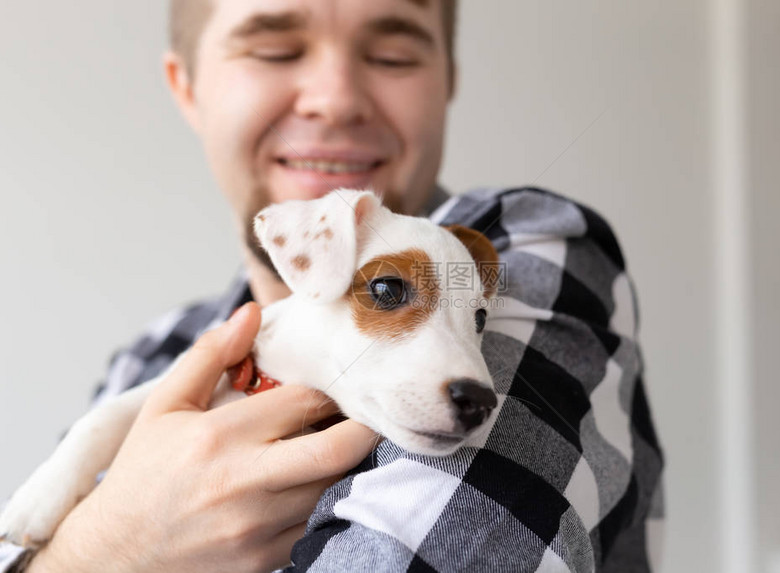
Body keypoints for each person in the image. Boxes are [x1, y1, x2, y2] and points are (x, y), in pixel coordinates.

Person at [0, 0, 665, 571]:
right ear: (187, 86)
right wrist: (110, 550)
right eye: (274, 48)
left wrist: (95, 550)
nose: (338, 98)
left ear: (448, 80)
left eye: (395, 55)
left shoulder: (532, 248)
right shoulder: (146, 357)